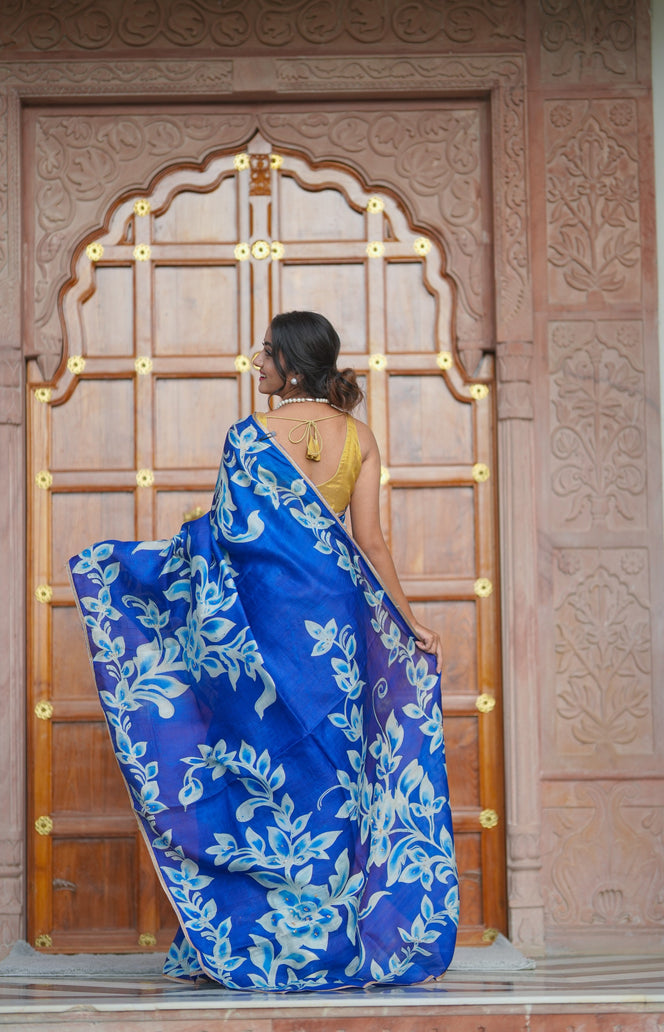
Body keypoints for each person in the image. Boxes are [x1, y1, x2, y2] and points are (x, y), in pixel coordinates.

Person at [69, 310, 458, 992]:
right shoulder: (359, 437)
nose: (256, 361)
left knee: (263, 776)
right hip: (332, 631)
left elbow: (229, 539)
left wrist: (175, 546)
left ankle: (262, 939)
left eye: (267, 353)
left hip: (260, 629)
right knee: (334, 775)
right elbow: (371, 543)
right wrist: (406, 621)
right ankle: (334, 939)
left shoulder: (247, 439)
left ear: (293, 369)